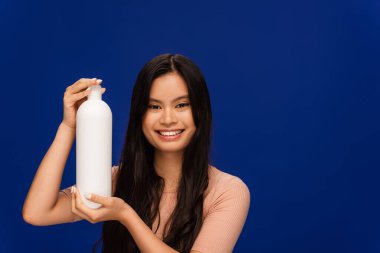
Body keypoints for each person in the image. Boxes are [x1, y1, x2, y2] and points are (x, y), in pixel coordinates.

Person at [22, 53, 250, 253]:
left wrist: (126, 216)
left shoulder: (227, 191)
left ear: (201, 112)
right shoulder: (117, 180)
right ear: (139, 116)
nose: (168, 119)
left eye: (181, 105)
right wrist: (68, 126)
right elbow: (38, 212)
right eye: (154, 106)